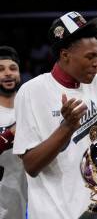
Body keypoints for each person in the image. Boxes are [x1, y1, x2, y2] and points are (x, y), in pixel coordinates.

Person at [12, 11, 97, 219]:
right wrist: (66, 128)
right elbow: (31, 165)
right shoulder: (32, 91)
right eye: (90, 57)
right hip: (53, 213)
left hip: (95, 210)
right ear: (65, 55)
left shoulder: (96, 84)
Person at [0, 46, 27, 219]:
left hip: (31, 193)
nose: (8, 73)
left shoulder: (30, 105)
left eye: (13, 68)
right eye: (0, 70)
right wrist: (11, 133)